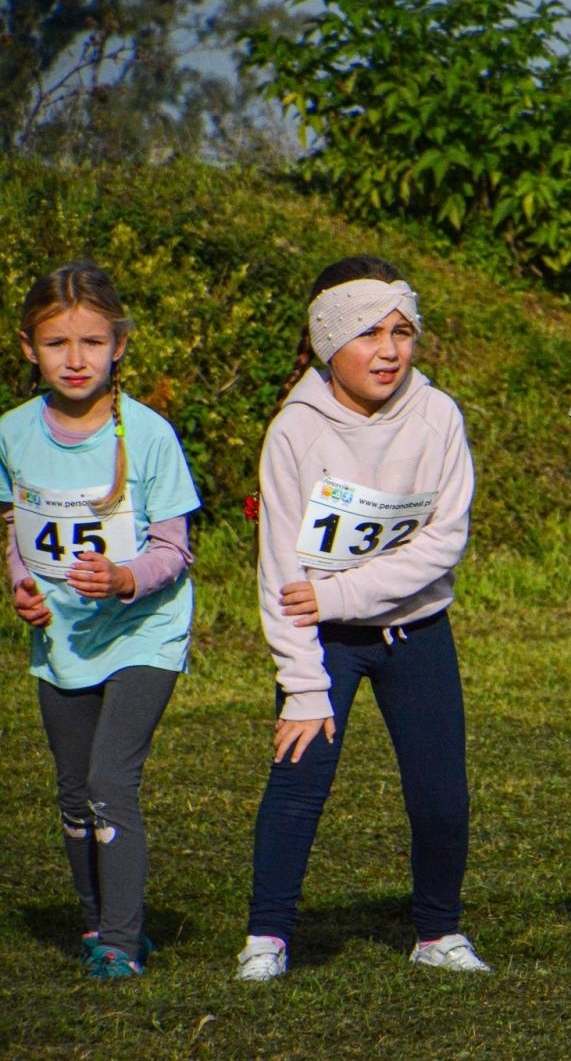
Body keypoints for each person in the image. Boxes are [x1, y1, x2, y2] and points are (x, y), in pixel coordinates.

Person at [235, 256, 487, 981]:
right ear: (326, 342)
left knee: (441, 796)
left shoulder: (439, 415)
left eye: (402, 331)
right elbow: (283, 573)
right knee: (298, 779)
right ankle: (268, 936)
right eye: (369, 333)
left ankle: (438, 932)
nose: (389, 350)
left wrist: (343, 593)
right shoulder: (293, 431)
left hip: (418, 633)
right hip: (321, 645)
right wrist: (303, 683)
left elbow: (444, 543)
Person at [2, 262, 200, 978]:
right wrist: (23, 588)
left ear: (119, 343)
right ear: (29, 348)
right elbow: (15, 534)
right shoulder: (13, 434)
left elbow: (175, 549)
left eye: (91, 341)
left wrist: (124, 577)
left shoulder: (148, 435)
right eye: (58, 343)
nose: (76, 359)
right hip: (62, 637)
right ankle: (95, 927)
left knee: (111, 778)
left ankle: (120, 941)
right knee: (71, 788)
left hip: (145, 630)